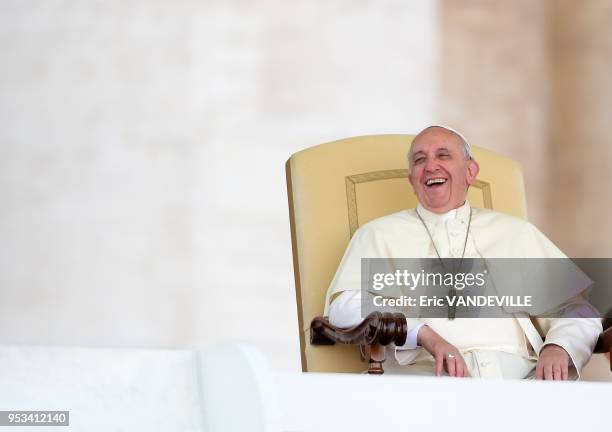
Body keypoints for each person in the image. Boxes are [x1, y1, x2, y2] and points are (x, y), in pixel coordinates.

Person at [325, 125, 602, 380]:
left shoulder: (516, 232)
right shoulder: (378, 234)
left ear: (470, 172)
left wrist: (558, 346)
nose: (431, 165)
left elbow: (577, 308)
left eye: (443, 155)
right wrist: (423, 334)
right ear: (412, 180)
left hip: (520, 380)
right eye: (420, 160)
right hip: (422, 380)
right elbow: (344, 307)